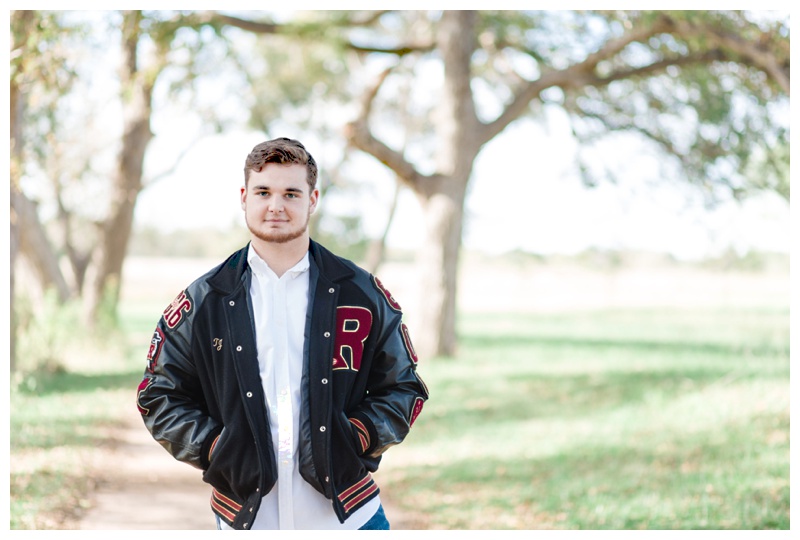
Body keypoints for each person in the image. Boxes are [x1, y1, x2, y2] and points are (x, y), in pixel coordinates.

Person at [136, 137, 428, 530]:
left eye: (291, 193)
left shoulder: (362, 292)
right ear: (244, 197)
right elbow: (159, 394)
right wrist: (214, 445)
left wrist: (356, 436)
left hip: (348, 517)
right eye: (264, 192)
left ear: (313, 199)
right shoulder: (204, 300)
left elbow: (404, 387)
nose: (276, 206)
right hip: (245, 517)